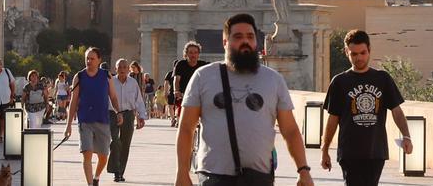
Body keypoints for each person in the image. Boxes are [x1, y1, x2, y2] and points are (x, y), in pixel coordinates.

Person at [175, 12, 314, 186]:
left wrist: (303, 170)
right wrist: (182, 172)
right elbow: (187, 127)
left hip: (259, 176)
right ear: (225, 42)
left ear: (256, 41)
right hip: (214, 175)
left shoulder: (273, 80)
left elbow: (291, 130)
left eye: (250, 36)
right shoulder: (203, 77)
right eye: (238, 37)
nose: (245, 41)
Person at [321, 29, 414, 186]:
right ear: (346, 52)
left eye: (363, 53)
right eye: (354, 54)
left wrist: (407, 136)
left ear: (369, 50)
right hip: (349, 152)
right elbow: (333, 119)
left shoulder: (382, 79)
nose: (359, 58)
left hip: (376, 151)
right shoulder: (339, 82)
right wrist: (325, 151)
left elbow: (397, 111)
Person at [64, 47, 123, 186]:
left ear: (99, 60)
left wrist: (118, 111)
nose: (89, 61)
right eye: (87, 59)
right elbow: (73, 101)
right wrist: (68, 125)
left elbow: (113, 96)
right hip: (85, 120)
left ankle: (96, 177)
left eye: (92, 59)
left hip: (102, 120)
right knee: (87, 153)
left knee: (103, 156)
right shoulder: (79, 76)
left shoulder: (106, 76)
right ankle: (90, 184)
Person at [108, 59, 149, 183]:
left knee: (125, 144)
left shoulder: (133, 83)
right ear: (115, 69)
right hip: (113, 114)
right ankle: (115, 169)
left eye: (124, 67)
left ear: (128, 69)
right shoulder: (110, 82)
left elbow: (138, 100)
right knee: (115, 141)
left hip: (128, 114)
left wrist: (141, 116)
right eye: (119, 67)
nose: (122, 69)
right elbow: (106, 98)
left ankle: (119, 172)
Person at [172, 42, 208, 121]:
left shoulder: (203, 65)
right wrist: (176, 90)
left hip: (198, 93)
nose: (193, 55)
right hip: (183, 93)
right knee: (182, 114)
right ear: (186, 54)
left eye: (195, 52)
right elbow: (176, 79)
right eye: (190, 52)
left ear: (198, 54)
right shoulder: (180, 64)